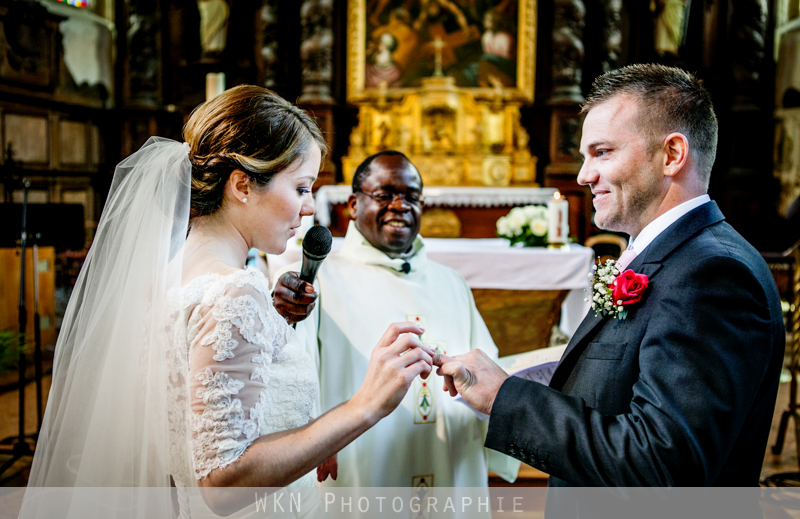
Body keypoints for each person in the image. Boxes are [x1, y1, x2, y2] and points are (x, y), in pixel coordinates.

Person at [21, 86, 435, 519]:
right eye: (300, 187)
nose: (310, 208)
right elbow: (222, 482)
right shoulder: (234, 292)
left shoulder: (171, 276)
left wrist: (309, 438)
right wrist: (364, 406)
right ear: (242, 185)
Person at [435, 65, 784, 500]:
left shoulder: (713, 275)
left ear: (672, 154)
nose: (583, 175)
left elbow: (660, 461)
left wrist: (506, 399)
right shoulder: (671, 255)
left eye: (602, 152)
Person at [272, 150, 519, 492]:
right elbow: (292, 370)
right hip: (362, 460)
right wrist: (284, 315)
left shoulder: (451, 282)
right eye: (385, 195)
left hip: (448, 458)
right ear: (354, 205)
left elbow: (489, 374)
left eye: (411, 197)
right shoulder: (323, 281)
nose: (400, 205)